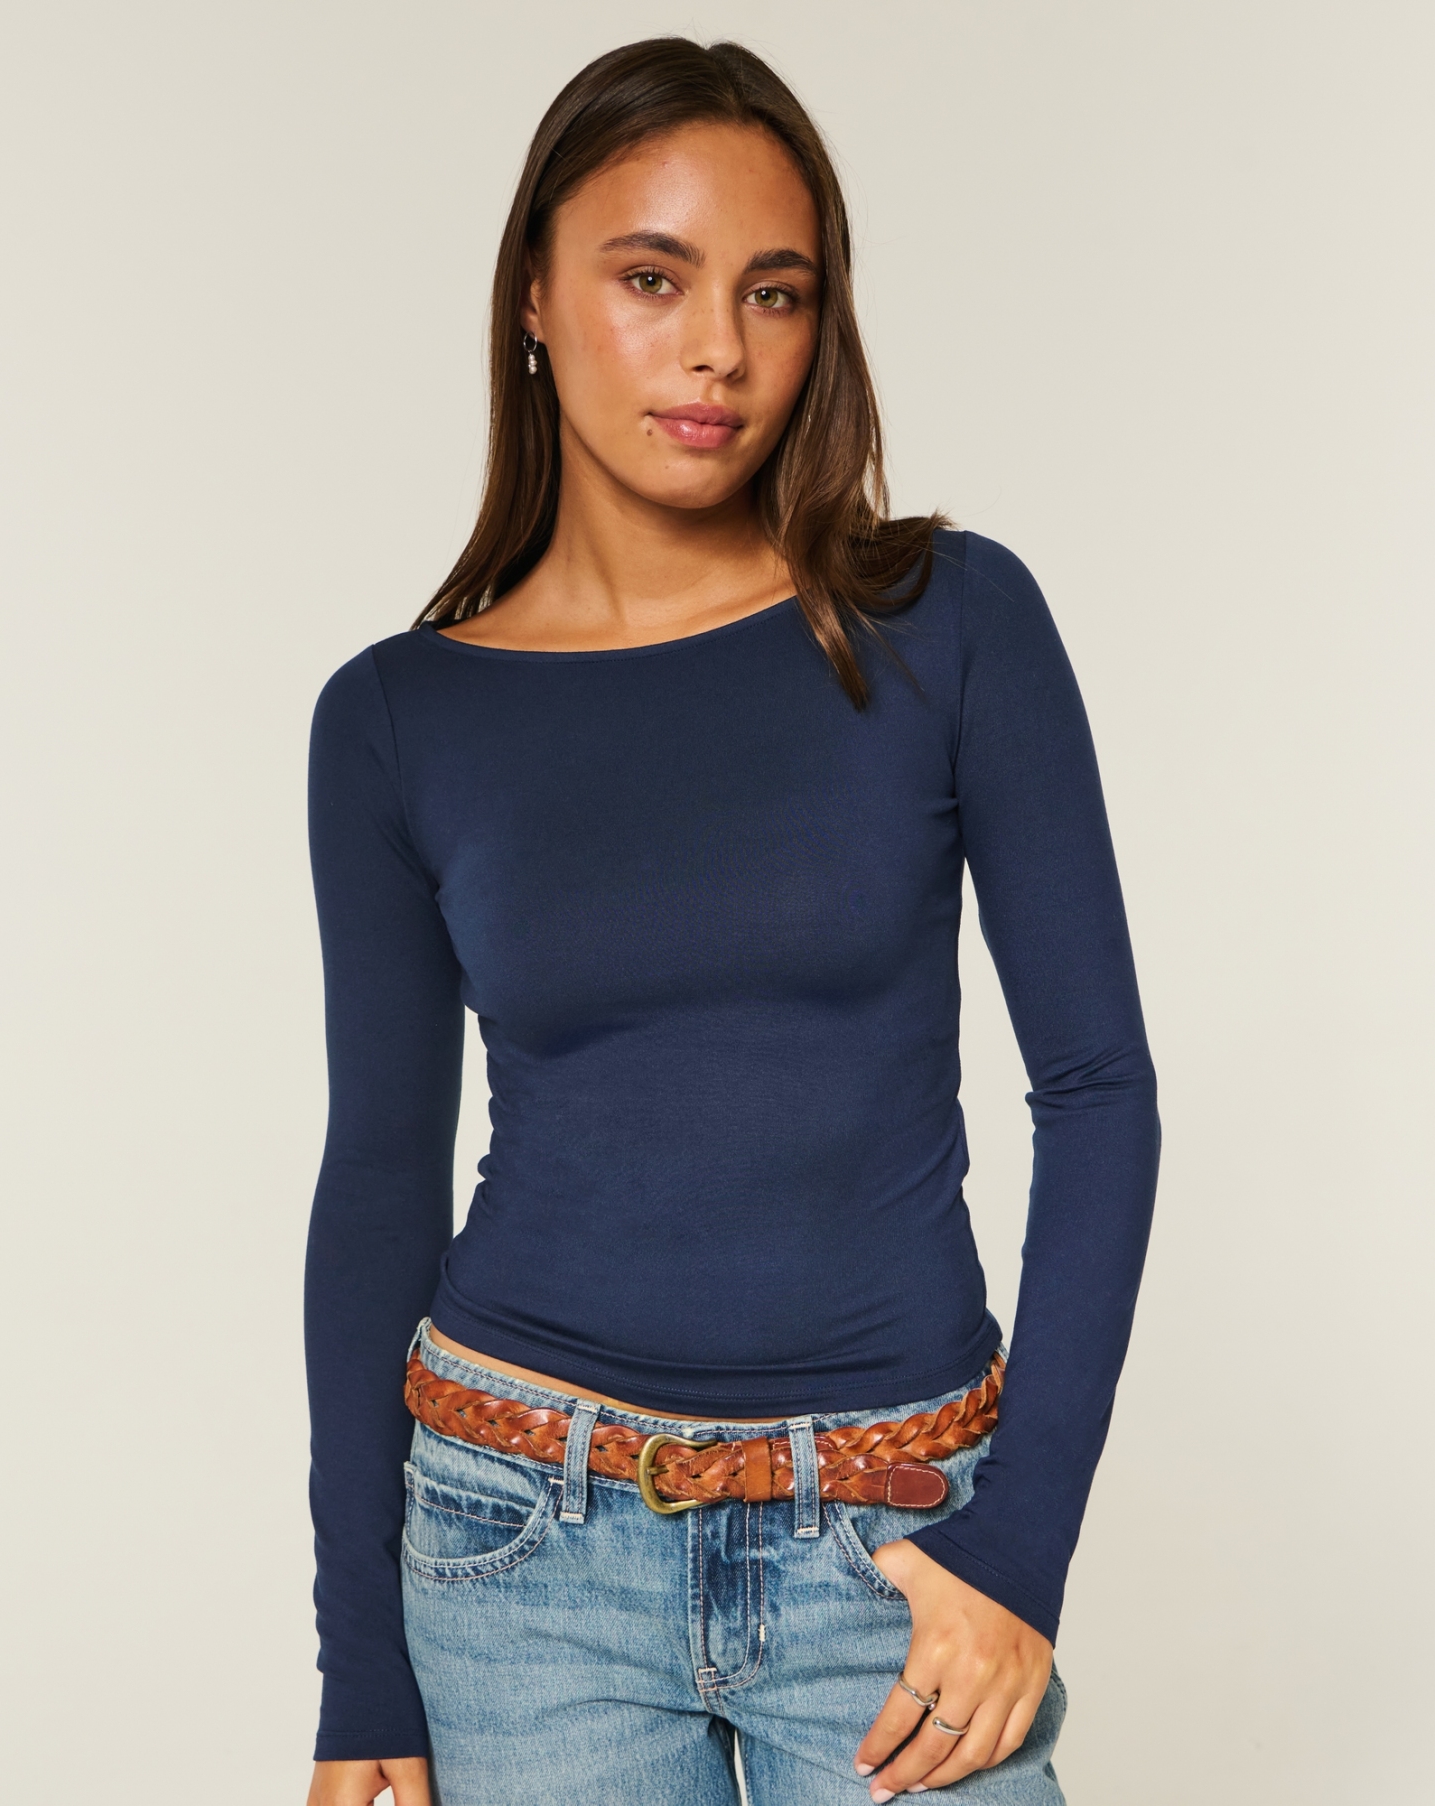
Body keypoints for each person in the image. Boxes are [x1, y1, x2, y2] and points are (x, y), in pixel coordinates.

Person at [303, 36, 1159, 1806]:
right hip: (519, 1548)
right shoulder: (397, 717)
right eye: (650, 278)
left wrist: (1021, 1550)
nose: (718, 348)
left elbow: (1098, 1092)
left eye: (776, 291)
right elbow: (380, 1175)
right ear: (533, 294)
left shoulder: (947, 622)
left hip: (895, 1543)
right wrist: (359, 1665)